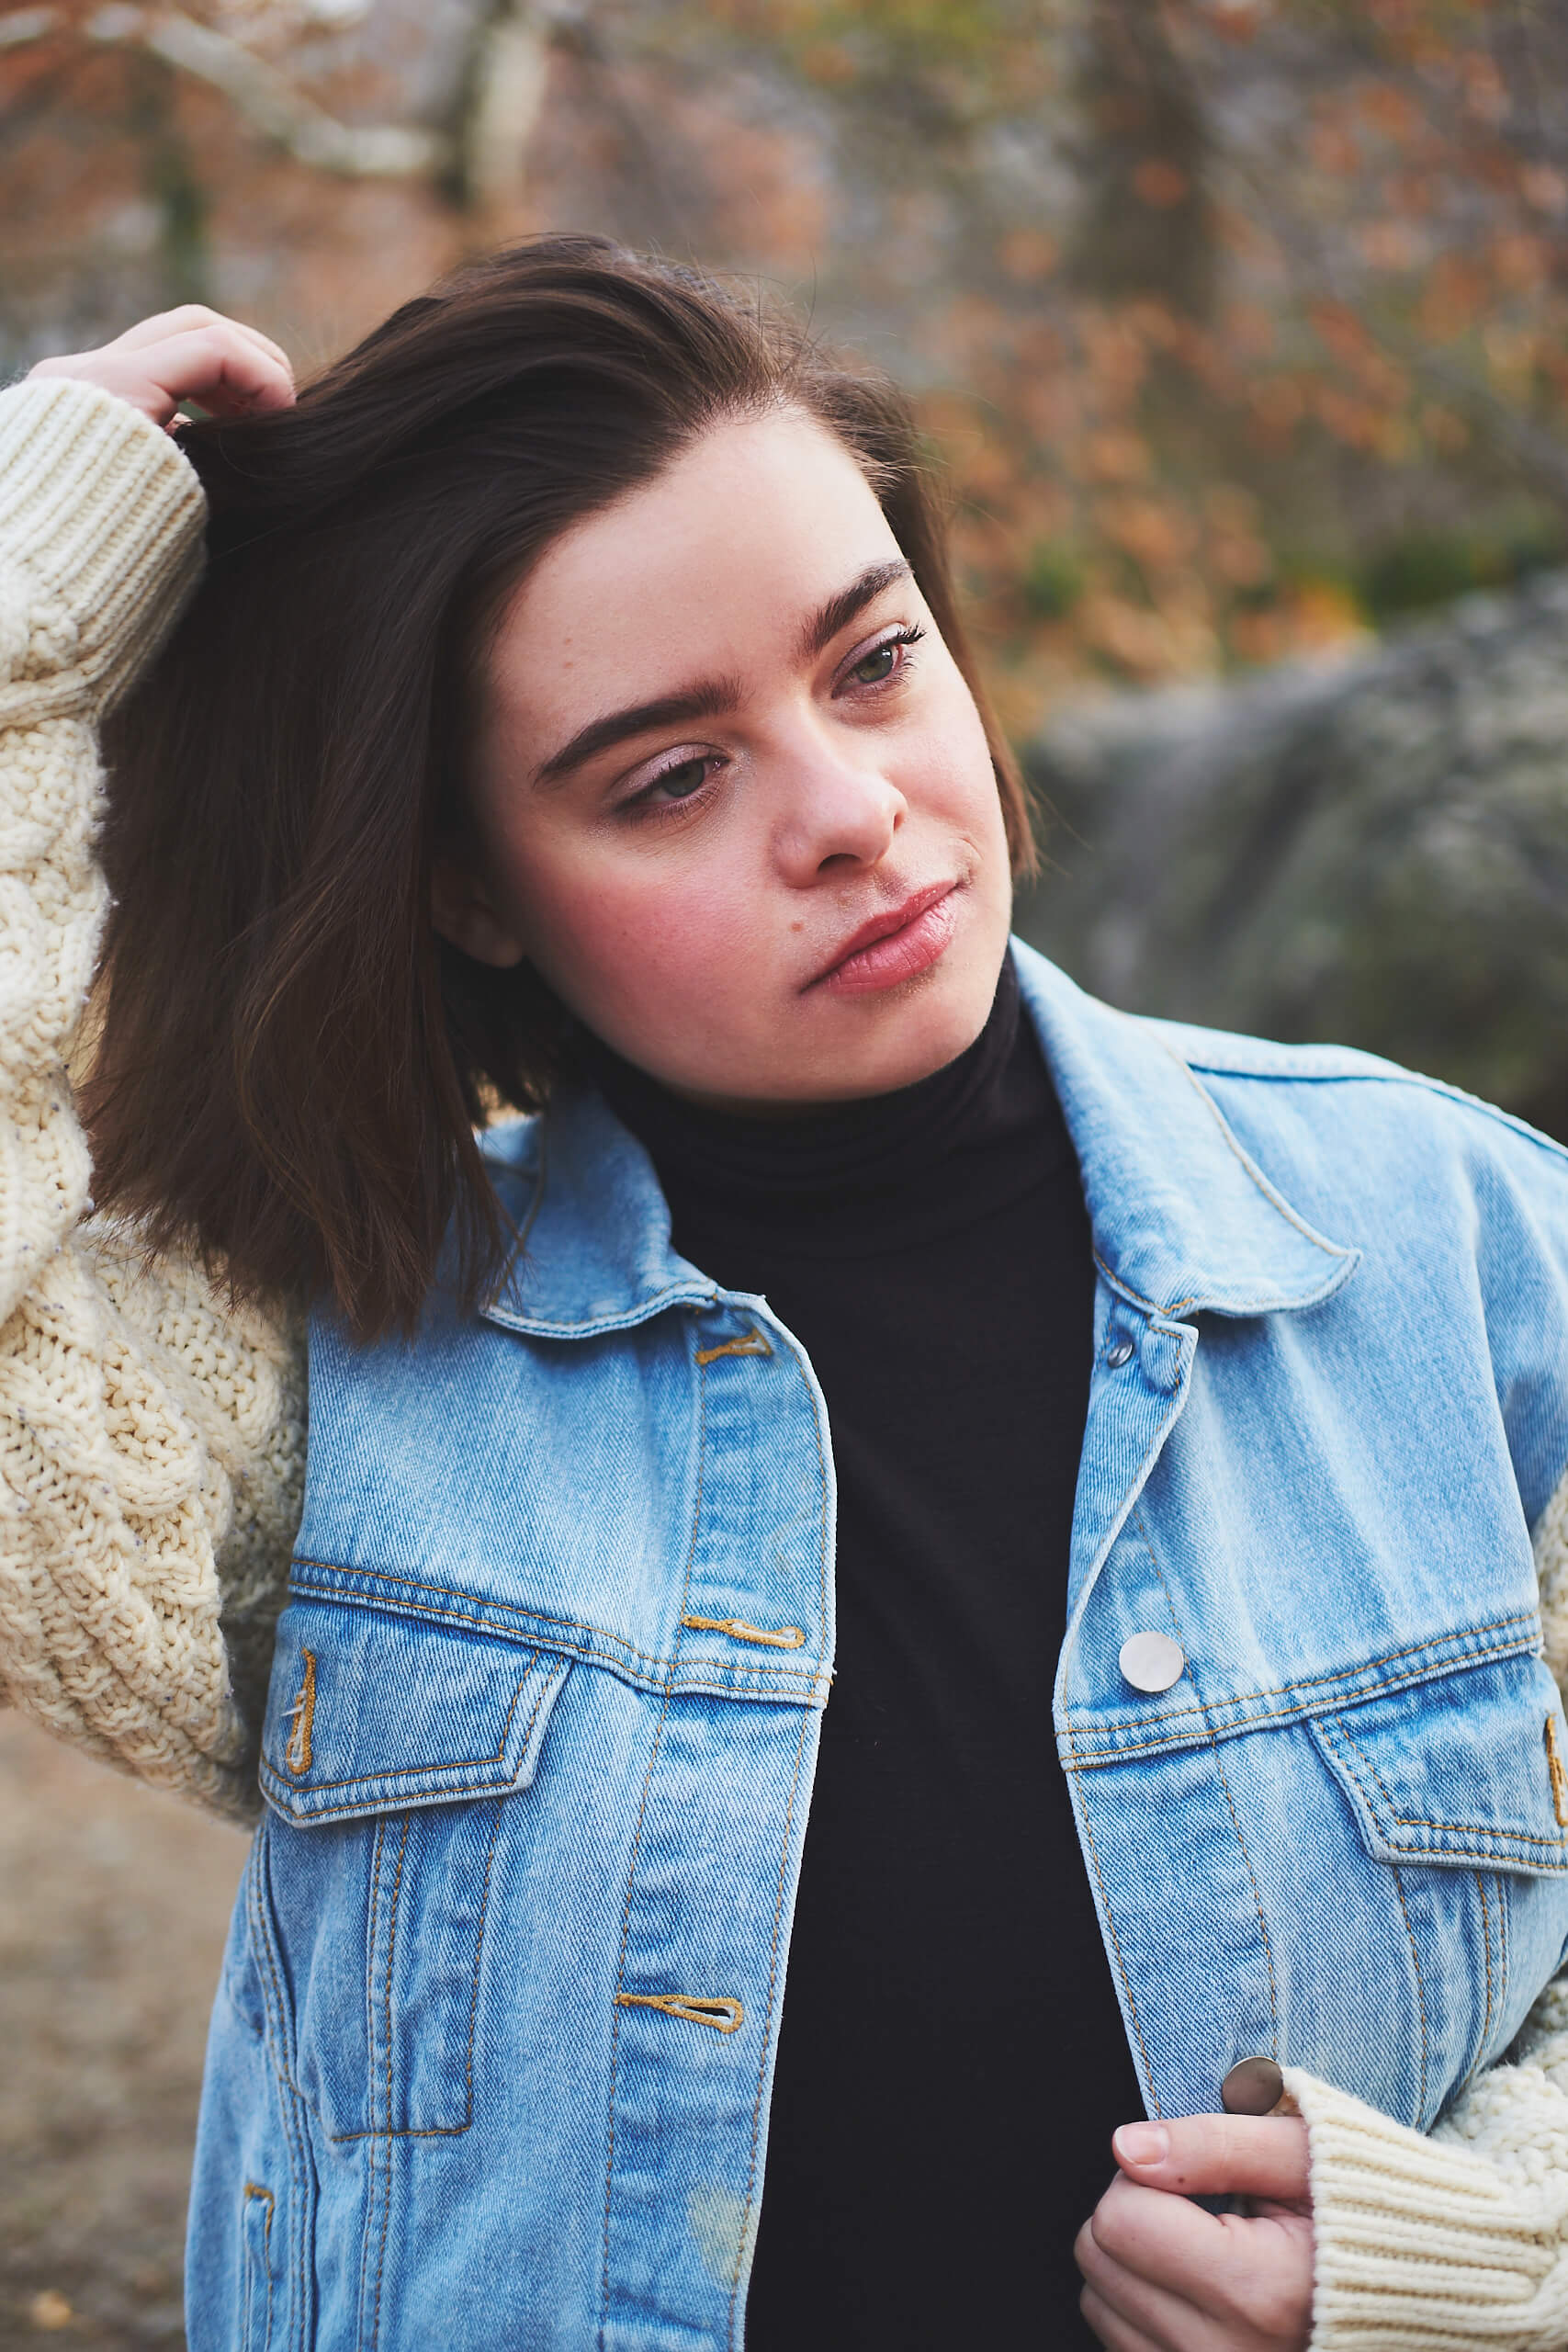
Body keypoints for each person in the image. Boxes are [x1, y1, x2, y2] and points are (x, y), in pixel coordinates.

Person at [4, 237, 1568, 2352]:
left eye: (872, 661)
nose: (851, 812)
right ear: (464, 882)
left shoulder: (1460, 1249)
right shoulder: (321, 1360)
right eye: (669, 774)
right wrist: (27, 629)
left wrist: (1462, 2249)